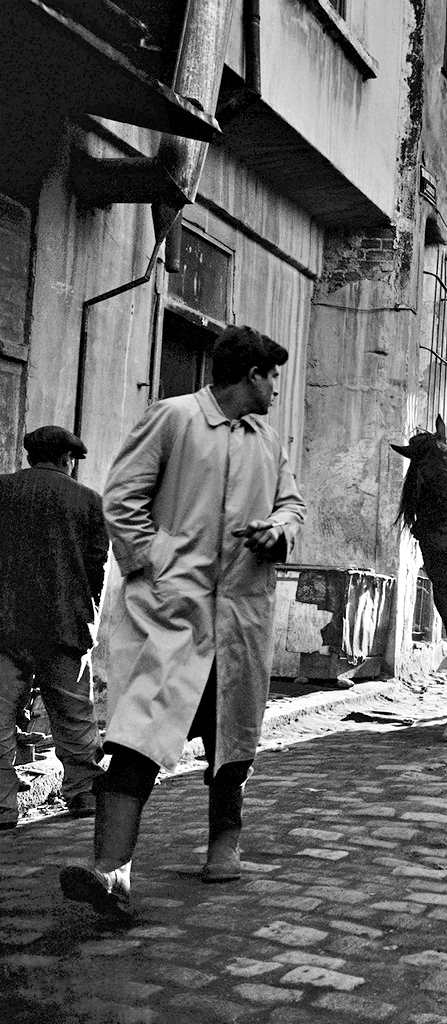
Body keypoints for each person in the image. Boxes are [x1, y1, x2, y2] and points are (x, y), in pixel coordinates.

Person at [60, 325, 305, 919]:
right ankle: (111, 872)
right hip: (172, 616)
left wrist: (276, 531)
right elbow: (123, 499)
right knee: (137, 739)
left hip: (240, 617)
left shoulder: (268, 441)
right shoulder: (173, 418)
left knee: (231, 740)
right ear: (252, 376)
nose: (276, 388)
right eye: (272, 376)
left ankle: (225, 844)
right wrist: (155, 568)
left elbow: (291, 504)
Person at [0, 426, 108, 830]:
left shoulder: (2, 491)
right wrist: (87, 619)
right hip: (65, 627)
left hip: (6, 626)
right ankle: (84, 793)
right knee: (74, 716)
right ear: (68, 459)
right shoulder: (89, 501)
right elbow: (97, 570)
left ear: (30, 456)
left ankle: (2, 808)